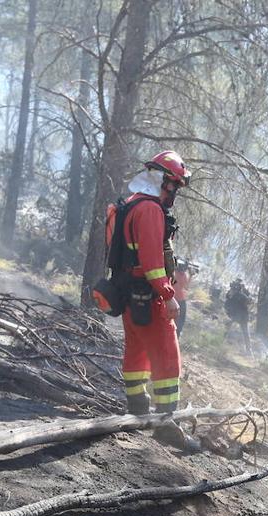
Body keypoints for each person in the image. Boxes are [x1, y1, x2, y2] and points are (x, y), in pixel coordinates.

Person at [104, 150, 199, 451]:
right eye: (175, 186)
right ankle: (166, 424)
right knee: (167, 356)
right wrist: (168, 295)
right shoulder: (150, 210)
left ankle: (137, 409)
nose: (175, 193)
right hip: (150, 295)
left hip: (129, 293)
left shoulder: (128, 204)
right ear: (165, 181)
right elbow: (152, 261)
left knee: (136, 352)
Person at [224, 278, 253, 357]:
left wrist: (248, 300)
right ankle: (221, 341)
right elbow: (227, 304)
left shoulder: (241, 295)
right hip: (236, 315)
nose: (232, 289)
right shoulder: (230, 295)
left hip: (242, 316)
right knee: (228, 326)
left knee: (246, 333)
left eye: (234, 288)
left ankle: (249, 351)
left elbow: (249, 302)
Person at [173, 258, 199, 335]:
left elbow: (185, 286)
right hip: (179, 299)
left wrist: (190, 275)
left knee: (178, 319)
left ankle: (176, 332)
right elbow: (186, 287)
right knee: (180, 319)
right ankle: (177, 333)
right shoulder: (181, 274)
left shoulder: (174, 272)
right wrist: (190, 275)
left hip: (174, 298)